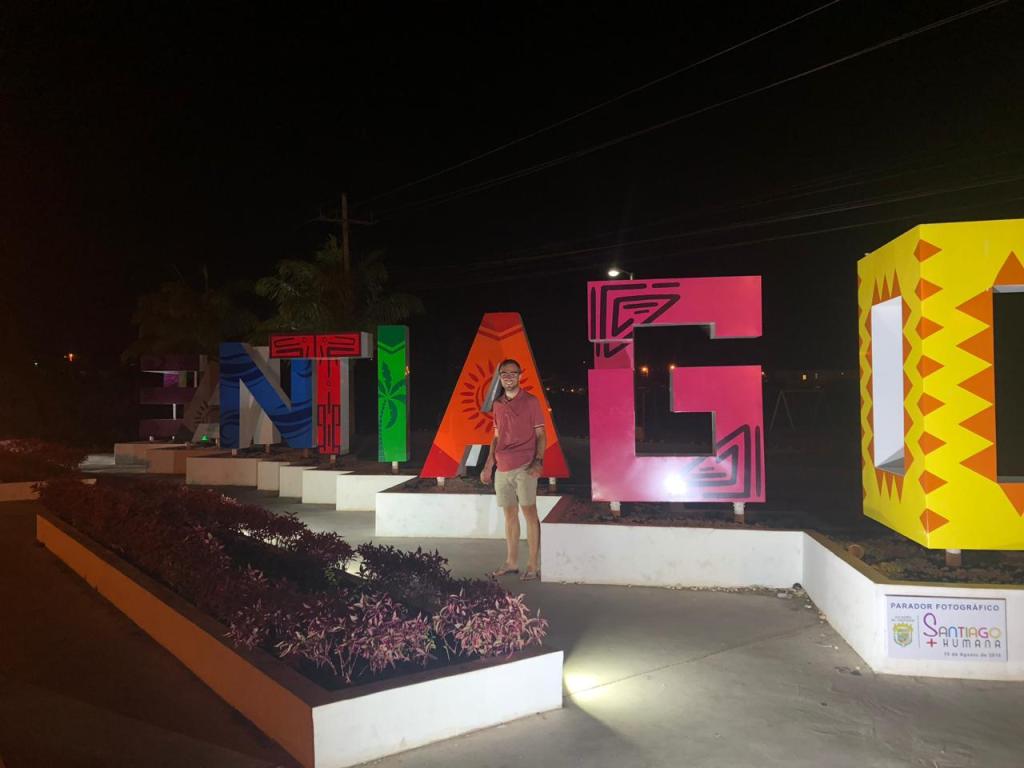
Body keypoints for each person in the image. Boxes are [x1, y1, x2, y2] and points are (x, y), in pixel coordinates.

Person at [480, 358, 546, 581]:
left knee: (529, 514)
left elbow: (540, 434)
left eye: (513, 373)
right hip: (502, 468)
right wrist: (489, 464)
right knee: (509, 516)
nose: (508, 377)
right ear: (499, 377)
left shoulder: (531, 401)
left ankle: (533, 565)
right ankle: (511, 562)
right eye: (504, 374)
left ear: (520, 375)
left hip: (525, 466)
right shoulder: (498, 404)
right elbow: (496, 436)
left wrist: (538, 460)